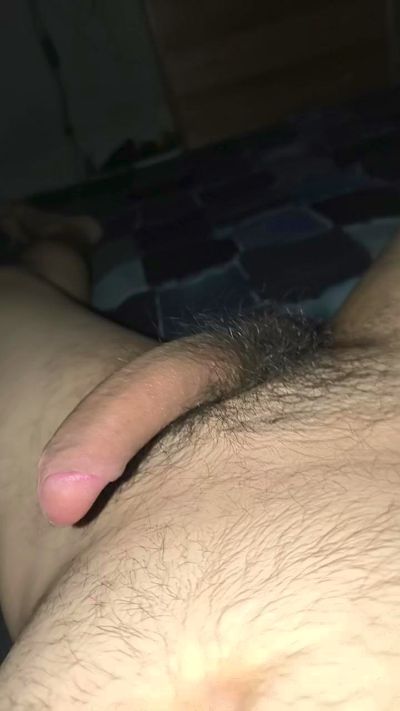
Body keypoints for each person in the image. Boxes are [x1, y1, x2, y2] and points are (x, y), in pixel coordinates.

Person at [0, 204, 399, 710]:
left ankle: (62, 236)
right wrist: (259, 352)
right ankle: (65, 235)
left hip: (106, 518)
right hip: (350, 396)